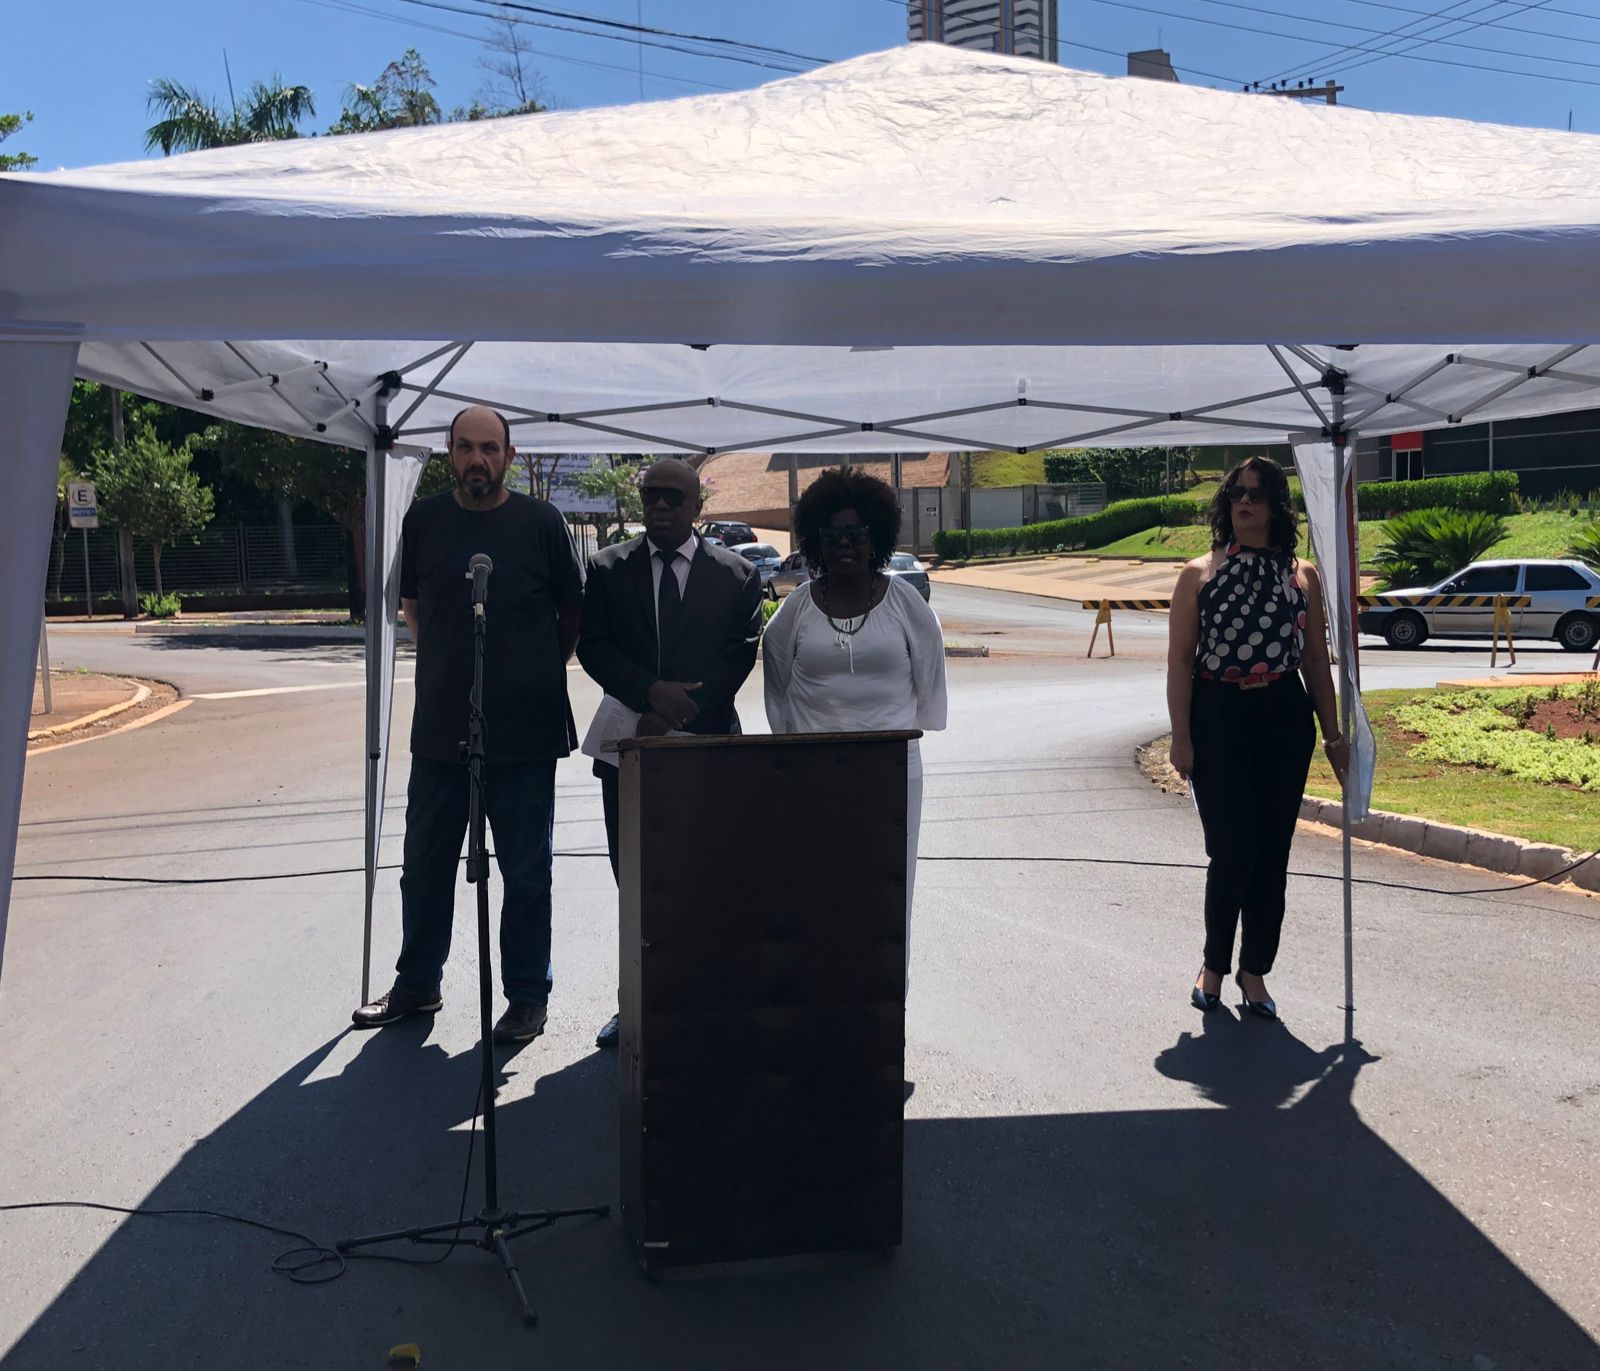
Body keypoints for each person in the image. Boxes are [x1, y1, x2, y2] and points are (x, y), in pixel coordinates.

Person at [352, 406, 584, 1044]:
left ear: (509, 455)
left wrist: (529, 672)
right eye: (464, 447)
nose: (476, 459)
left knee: (526, 871)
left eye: (488, 448)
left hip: (526, 731)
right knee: (424, 863)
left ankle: (527, 996)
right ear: (449, 453)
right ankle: (417, 983)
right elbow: (414, 610)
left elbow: (570, 614)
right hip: (441, 730)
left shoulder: (542, 522)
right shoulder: (424, 520)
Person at [577, 457, 764, 1047]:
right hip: (630, 750)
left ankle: (708, 1001)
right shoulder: (607, 568)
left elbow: (739, 653)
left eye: (673, 497)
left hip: (709, 749)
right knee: (635, 879)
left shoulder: (737, 574)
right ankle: (636, 1002)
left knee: (710, 878)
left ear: (697, 508)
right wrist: (648, 695)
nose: (659, 506)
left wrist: (679, 710)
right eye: (651, 496)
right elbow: (594, 646)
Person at [1166, 456, 1348, 1022]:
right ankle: (1213, 966)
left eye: (1257, 494)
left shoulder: (1302, 575)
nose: (1245, 502)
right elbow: (1179, 661)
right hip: (1218, 713)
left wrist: (1334, 735)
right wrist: (1181, 737)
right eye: (1237, 493)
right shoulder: (1199, 573)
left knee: (1272, 851)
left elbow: (1315, 661)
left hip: (1283, 715)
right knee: (1232, 849)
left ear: (1275, 506)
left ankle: (1255, 971)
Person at [761, 467, 946, 985]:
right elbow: (777, 686)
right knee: (817, 887)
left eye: (856, 534)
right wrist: (793, 745)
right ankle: (821, 996)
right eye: (832, 536)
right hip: (811, 773)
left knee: (887, 887)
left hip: (892, 774)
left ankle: (886, 1000)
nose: (844, 545)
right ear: (816, 541)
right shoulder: (795, 611)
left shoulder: (907, 605)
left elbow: (930, 682)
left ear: (876, 538)